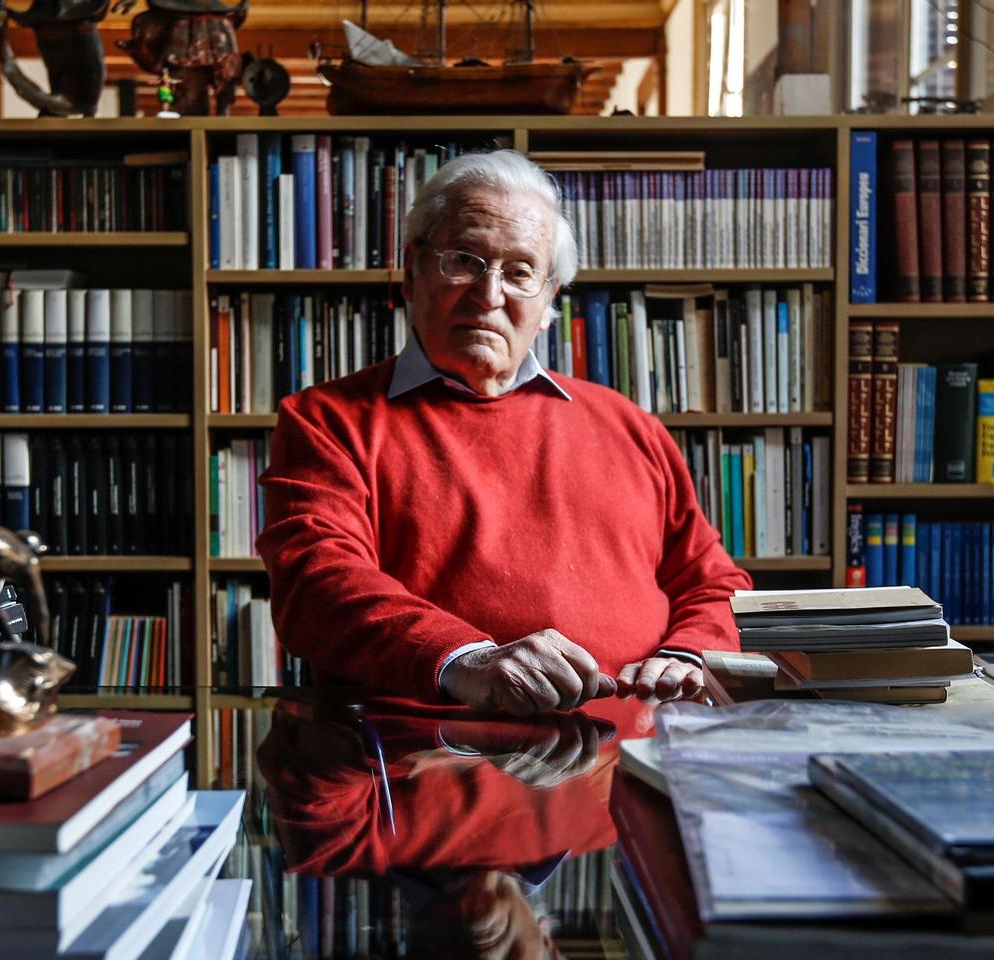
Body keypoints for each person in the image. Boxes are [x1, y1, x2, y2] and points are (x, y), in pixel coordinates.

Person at [258, 149, 750, 716]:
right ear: (412, 272)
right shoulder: (326, 421)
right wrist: (467, 659)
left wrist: (687, 655)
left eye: (519, 272)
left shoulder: (629, 425)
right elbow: (316, 585)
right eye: (464, 261)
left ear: (548, 304)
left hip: (633, 762)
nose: (489, 295)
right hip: (428, 760)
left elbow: (714, 583)